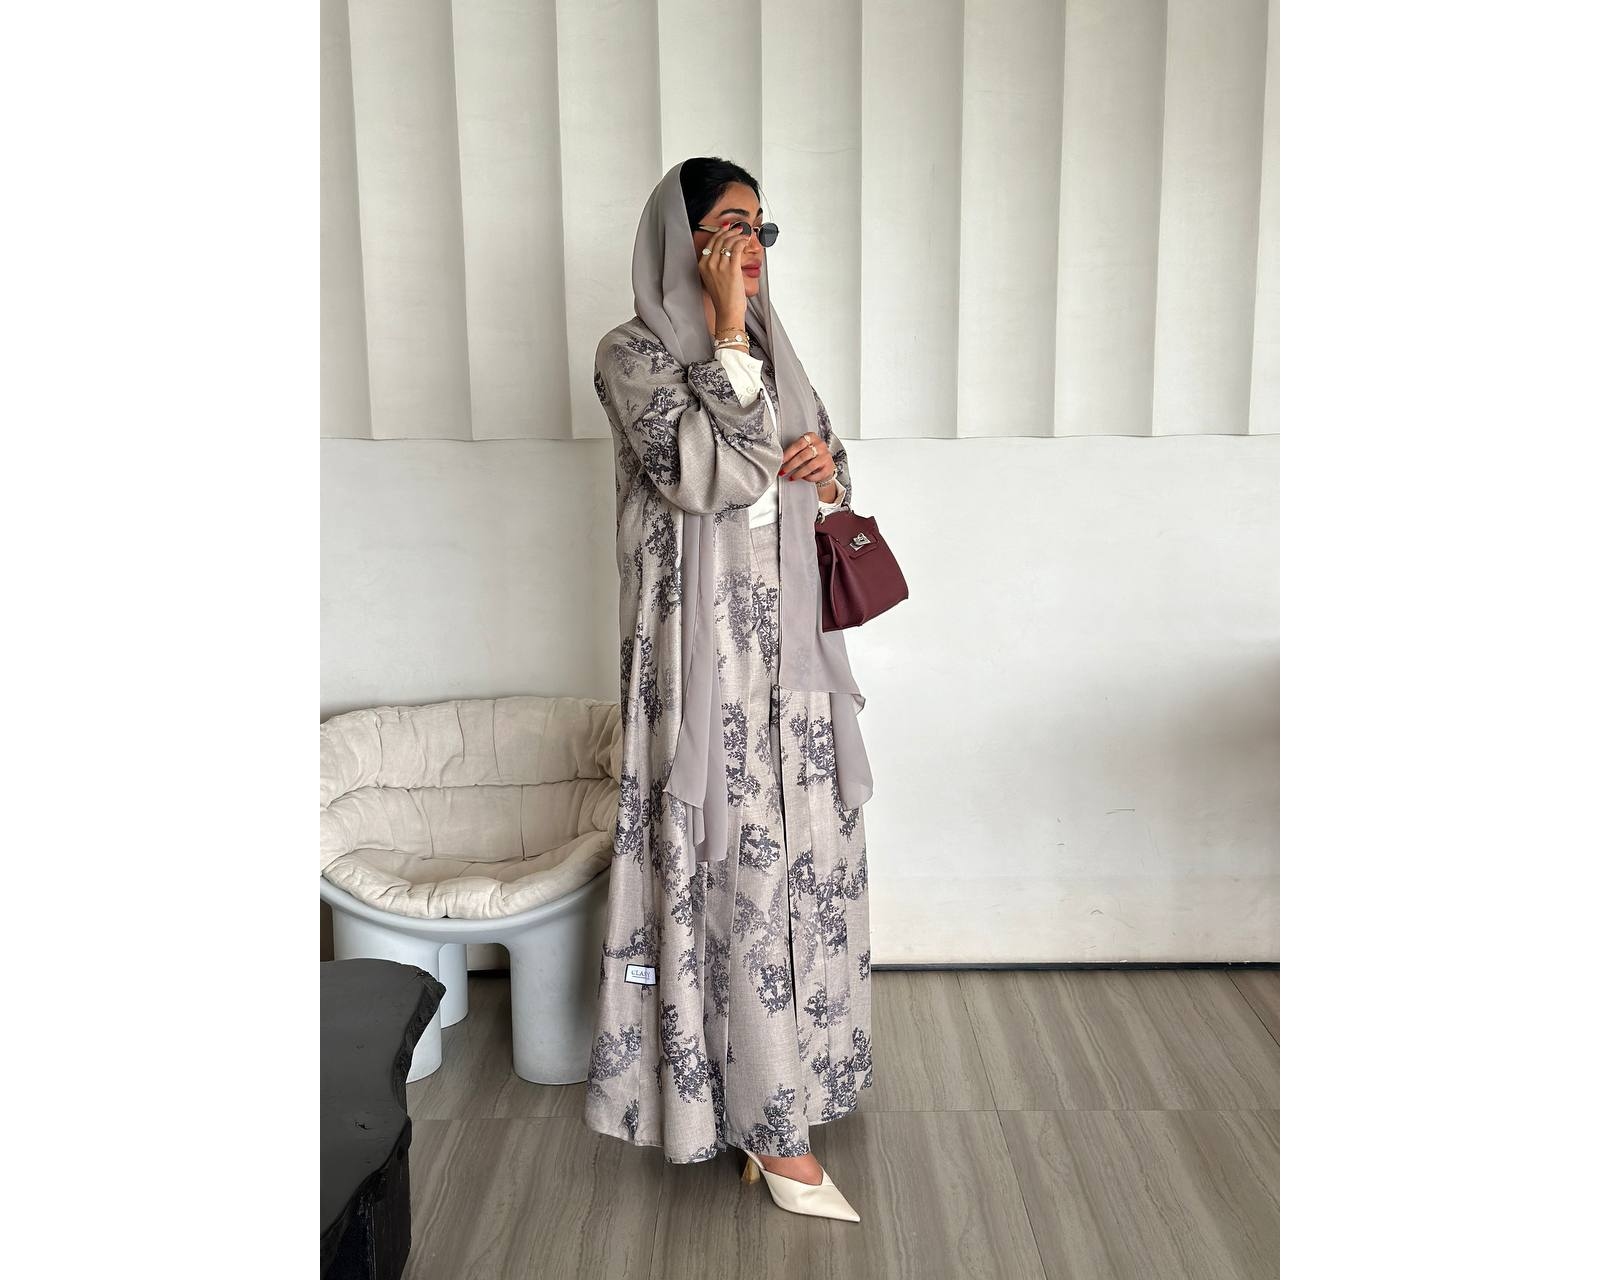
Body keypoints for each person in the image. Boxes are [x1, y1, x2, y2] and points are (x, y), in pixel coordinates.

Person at [583, 157, 875, 1223]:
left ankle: (793, 1087)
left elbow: (821, 467)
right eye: (727, 227)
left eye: (761, 227)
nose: (750, 247)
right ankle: (758, 1121)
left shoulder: (773, 346)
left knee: (806, 861)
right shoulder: (632, 354)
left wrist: (826, 472)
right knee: (729, 871)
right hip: (699, 656)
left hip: (791, 650)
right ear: (682, 240)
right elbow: (706, 473)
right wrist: (723, 337)